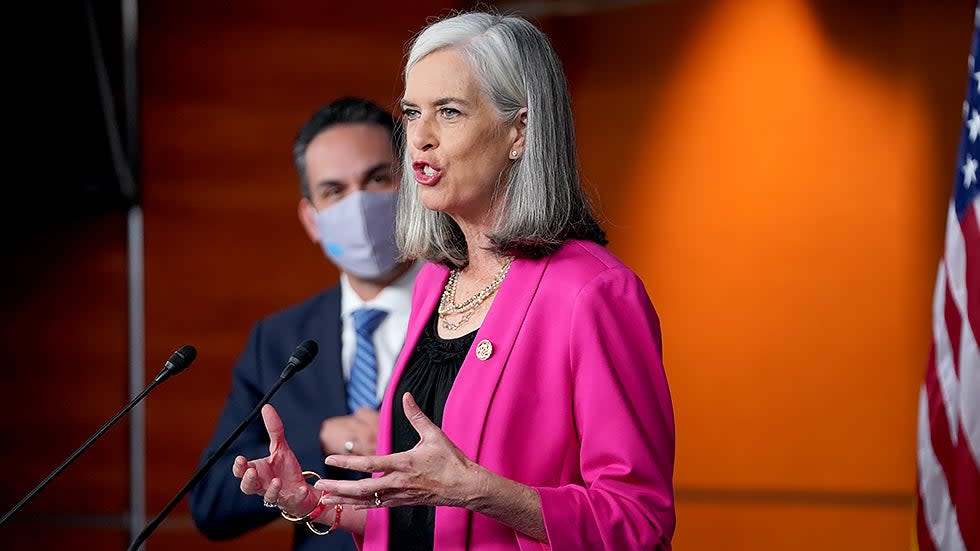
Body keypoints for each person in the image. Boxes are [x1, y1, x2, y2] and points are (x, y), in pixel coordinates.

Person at [232, 10, 676, 550]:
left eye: (449, 112)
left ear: (521, 130)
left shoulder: (593, 292)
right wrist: (313, 502)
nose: (419, 138)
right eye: (413, 112)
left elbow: (638, 524)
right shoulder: (436, 281)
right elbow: (424, 516)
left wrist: (478, 491)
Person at [189, 97, 422, 551]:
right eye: (334, 191)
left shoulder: (474, 308)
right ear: (312, 220)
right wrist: (317, 442)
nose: (358, 205)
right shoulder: (279, 341)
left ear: (414, 183)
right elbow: (209, 501)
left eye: (377, 178)